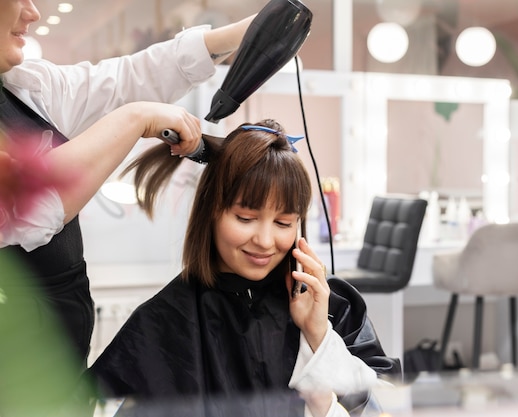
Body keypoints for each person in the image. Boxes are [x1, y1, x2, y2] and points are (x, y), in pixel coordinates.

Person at [0, 0, 256, 413]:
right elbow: (32, 207)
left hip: (58, 364)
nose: (32, 13)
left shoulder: (18, 85)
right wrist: (134, 119)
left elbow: (121, 80)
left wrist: (237, 36)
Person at [88, 120, 402, 417]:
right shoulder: (165, 320)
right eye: (245, 218)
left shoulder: (334, 304)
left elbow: (381, 407)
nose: (266, 241)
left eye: (283, 223)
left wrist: (320, 335)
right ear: (211, 211)